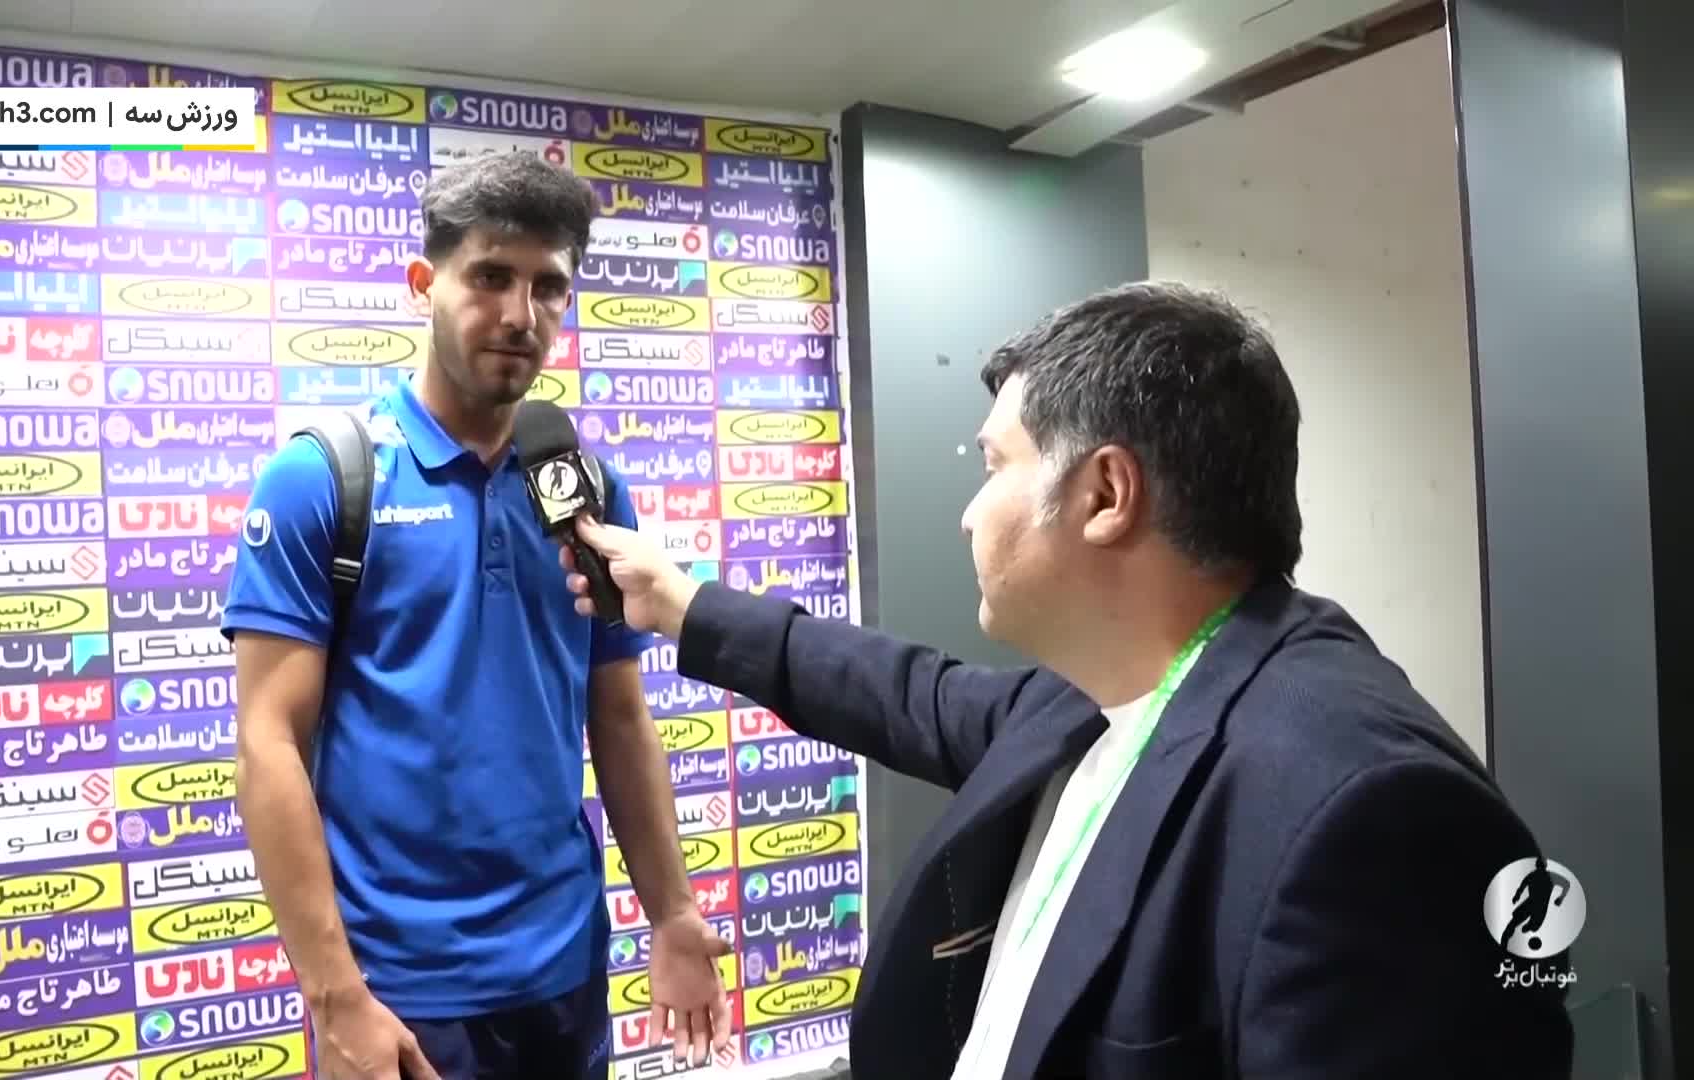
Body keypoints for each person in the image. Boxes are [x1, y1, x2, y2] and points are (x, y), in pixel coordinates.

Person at [559, 282, 1575, 1078]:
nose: (970, 512)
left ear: (1105, 494)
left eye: (994, 465)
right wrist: (679, 604)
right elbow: (904, 693)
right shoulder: (1092, 697)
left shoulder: (1365, 810)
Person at [225, 151, 731, 1080]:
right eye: (491, 276)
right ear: (425, 284)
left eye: (548, 287)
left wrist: (672, 913)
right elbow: (269, 744)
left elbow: (618, 715)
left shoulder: (586, 489)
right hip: (399, 992)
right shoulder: (322, 479)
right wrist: (335, 996)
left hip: (563, 971)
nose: (520, 314)